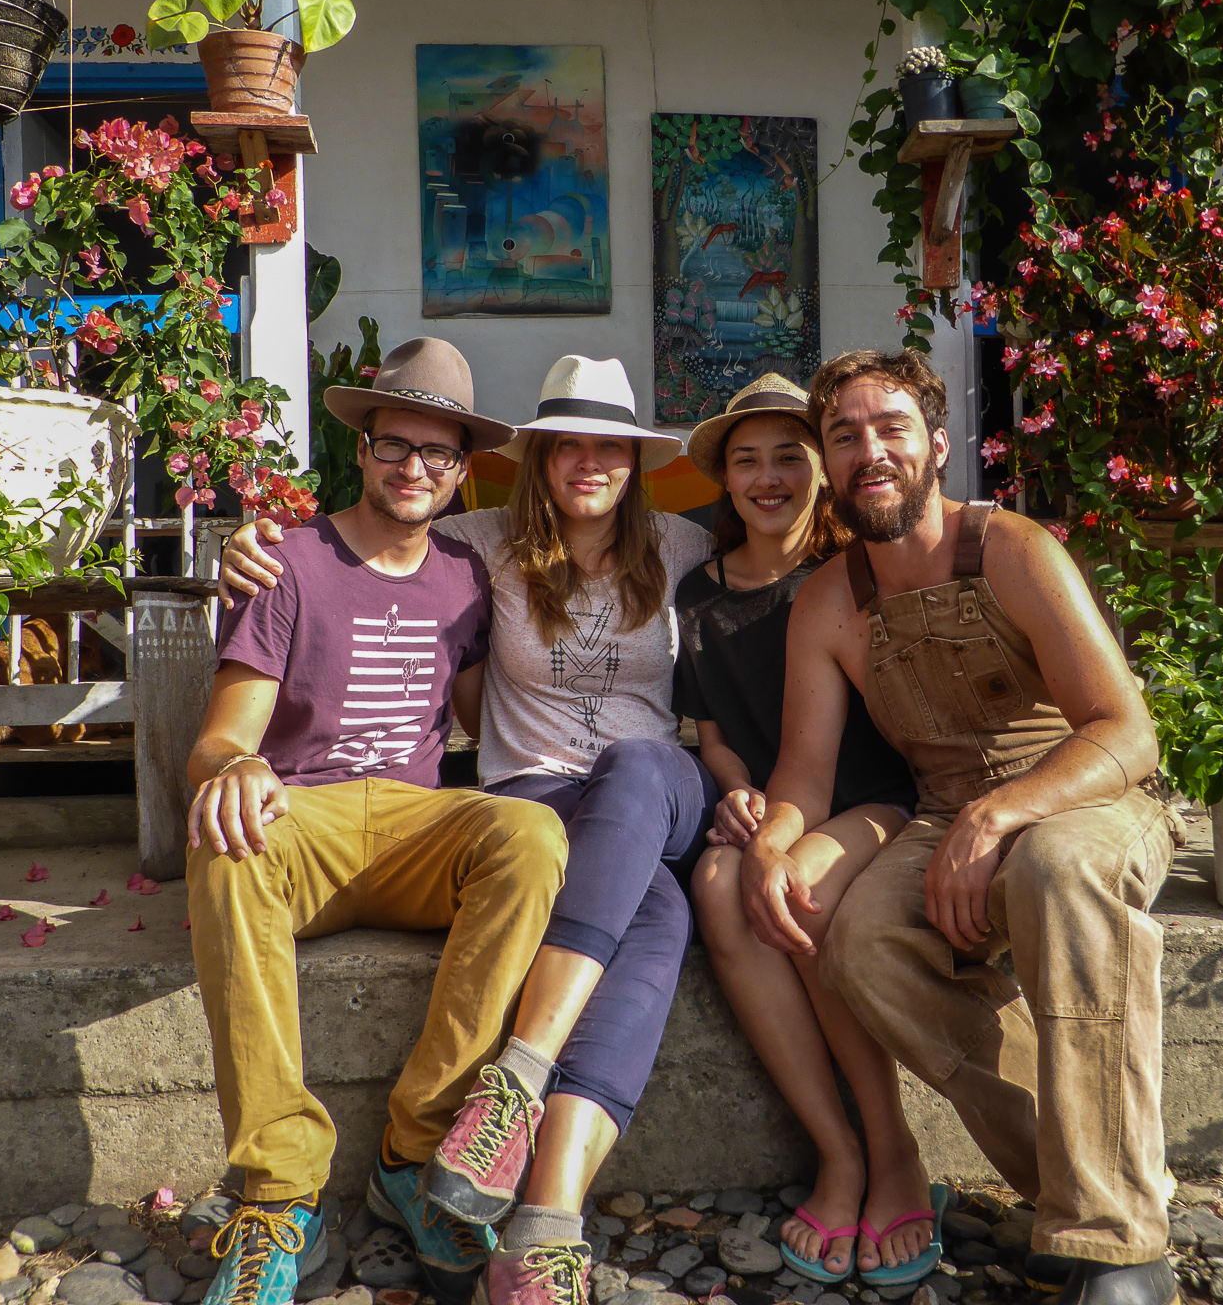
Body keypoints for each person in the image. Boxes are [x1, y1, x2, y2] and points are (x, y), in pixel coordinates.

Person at [222, 355, 716, 1305]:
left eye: (608, 443)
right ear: (534, 455)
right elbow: (372, 529)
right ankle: (544, 1227)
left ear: (633, 458)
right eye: (566, 442)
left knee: (641, 764)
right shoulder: (477, 541)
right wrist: (253, 546)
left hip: (654, 792)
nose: (588, 460)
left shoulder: (686, 545)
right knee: (655, 921)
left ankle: (514, 1080)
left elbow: (788, 538)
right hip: (540, 798)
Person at [743, 349, 1183, 1305]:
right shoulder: (828, 601)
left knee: (1058, 868)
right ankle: (1069, 1180)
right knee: (857, 942)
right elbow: (804, 773)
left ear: (937, 444)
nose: (872, 451)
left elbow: (1127, 730)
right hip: (950, 820)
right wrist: (775, 844)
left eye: (891, 428)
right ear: (828, 461)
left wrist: (1003, 813)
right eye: (846, 436)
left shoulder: (1015, 550)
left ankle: (1120, 1242)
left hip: (1087, 801)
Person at [183, 336, 570, 1305]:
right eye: (396, 445)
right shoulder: (288, 563)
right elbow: (221, 738)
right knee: (226, 842)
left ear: (463, 470)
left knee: (530, 836)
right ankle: (277, 1196)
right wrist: (234, 770)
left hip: (414, 825)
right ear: (362, 447)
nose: (414, 469)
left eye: (438, 454)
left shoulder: (468, 578)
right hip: (300, 816)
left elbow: (495, 722)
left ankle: (417, 1148)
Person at [676, 374, 943, 1287]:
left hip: (868, 798)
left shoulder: (850, 578)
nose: (769, 477)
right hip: (774, 804)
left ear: (822, 469)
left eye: (790, 454)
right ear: (725, 478)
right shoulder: (699, 595)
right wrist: (737, 791)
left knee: (792, 888)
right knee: (718, 885)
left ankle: (894, 1145)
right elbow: (712, 733)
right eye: (747, 460)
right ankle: (840, 1152)